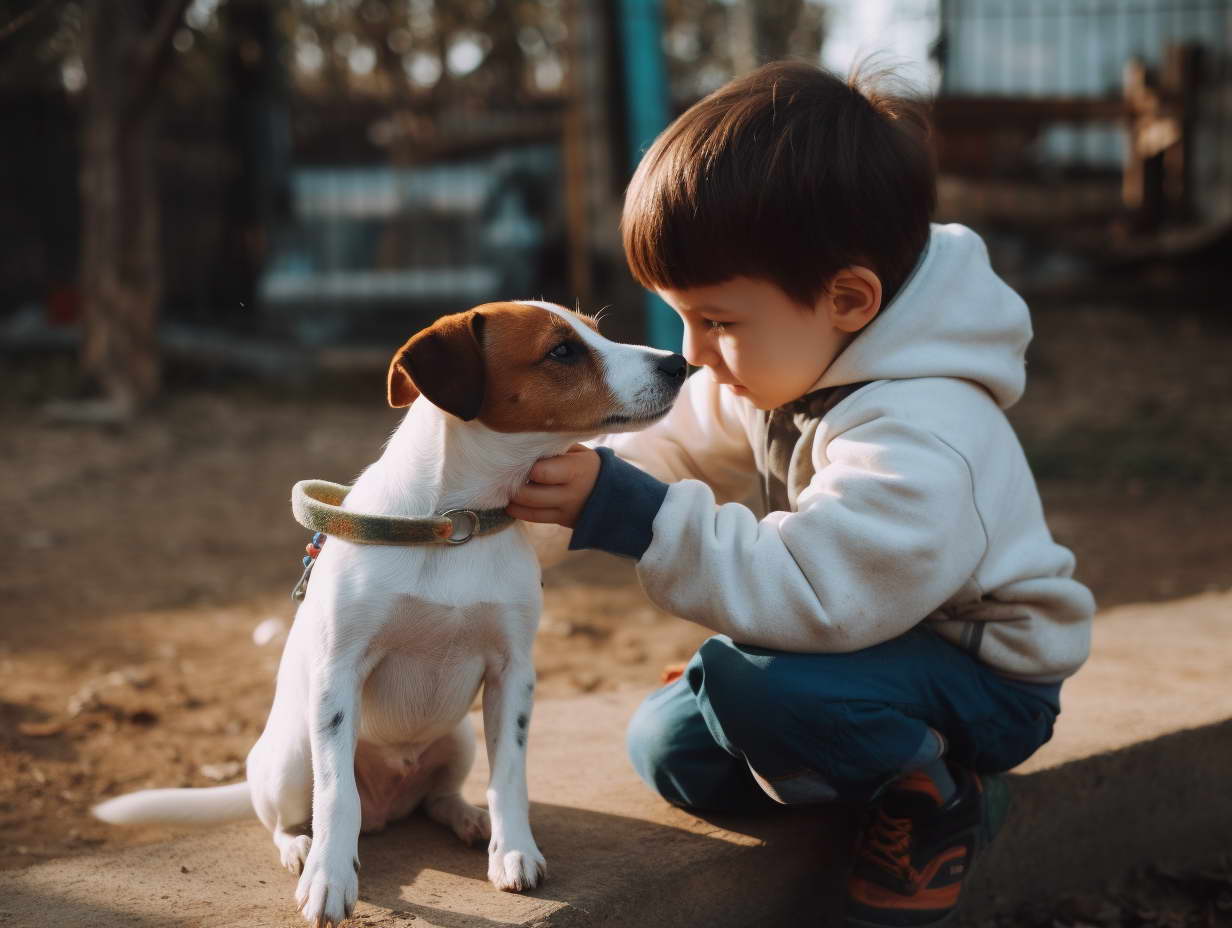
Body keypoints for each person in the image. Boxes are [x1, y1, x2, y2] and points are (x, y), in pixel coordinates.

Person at [507, 60, 1094, 928]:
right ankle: (841, 750)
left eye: (717, 320)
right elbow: (668, 454)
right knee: (665, 745)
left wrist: (629, 513)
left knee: (757, 690)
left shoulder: (925, 431)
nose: (694, 352)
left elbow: (823, 592)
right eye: (680, 317)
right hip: (865, 649)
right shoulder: (781, 361)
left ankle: (937, 796)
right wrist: (530, 510)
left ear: (848, 299)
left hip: (984, 681)